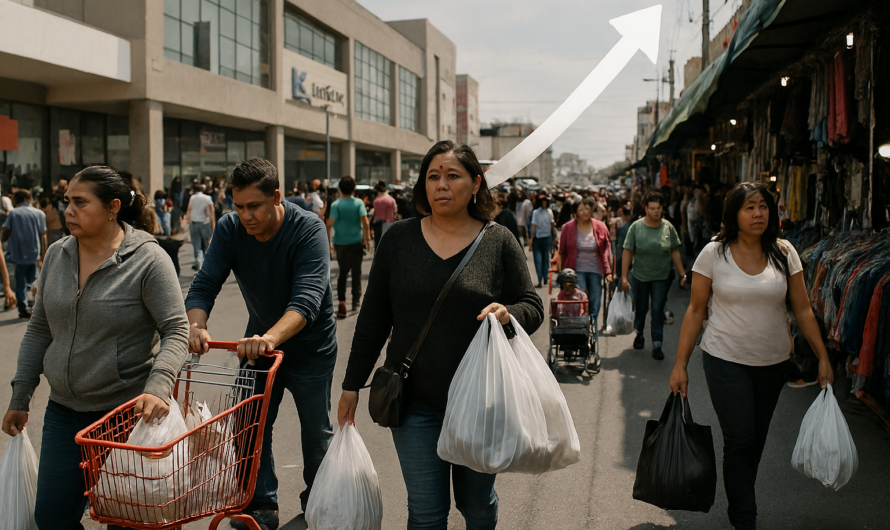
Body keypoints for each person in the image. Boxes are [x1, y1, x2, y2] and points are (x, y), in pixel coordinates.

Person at [338, 140, 543, 530]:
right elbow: (373, 320)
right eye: (433, 176)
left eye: (452, 176)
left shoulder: (498, 240)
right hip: (413, 402)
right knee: (427, 513)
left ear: (476, 183)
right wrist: (352, 385)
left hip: (482, 403)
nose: (441, 185)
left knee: (476, 505)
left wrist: (507, 313)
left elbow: (532, 306)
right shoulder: (397, 240)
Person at [2, 166, 188, 530]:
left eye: (80, 202)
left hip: (125, 417)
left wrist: (158, 388)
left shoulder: (149, 259)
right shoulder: (57, 254)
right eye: (67, 201)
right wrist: (20, 394)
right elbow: (39, 327)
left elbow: (176, 329)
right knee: (52, 517)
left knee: (126, 519)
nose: (68, 210)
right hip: (63, 413)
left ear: (113, 207)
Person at [669, 182, 834, 530]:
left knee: (755, 441)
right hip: (724, 360)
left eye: (763, 206)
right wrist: (680, 364)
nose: (758, 213)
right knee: (740, 438)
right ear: (734, 214)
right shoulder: (713, 253)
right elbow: (696, 311)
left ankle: (741, 499)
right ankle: (745, 519)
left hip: (773, 365)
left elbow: (803, 309)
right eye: (750, 207)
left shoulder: (784, 252)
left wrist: (822, 356)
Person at [185, 158, 337, 530]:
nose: (246, 215)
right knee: (249, 424)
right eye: (238, 206)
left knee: (316, 432)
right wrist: (196, 324)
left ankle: (317, 503)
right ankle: (260, 503)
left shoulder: (308, 229)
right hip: (259, 345)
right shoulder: (230, 229)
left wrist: (268, 338)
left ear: (277, 198)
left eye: (254, 206)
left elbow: (306, 301)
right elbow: (205, 283)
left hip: (310, 348)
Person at [619, 191, 687, 360]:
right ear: (646, 209)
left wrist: (682, 274)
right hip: (640, 276)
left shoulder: (667, 228)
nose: (656, 211)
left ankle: (657, 343)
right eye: (652, 208)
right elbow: (628, 252)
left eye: (659, 208)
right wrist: (624, 277)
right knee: (641, 307)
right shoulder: (636, 227)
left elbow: (675, 252)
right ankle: (639, 332)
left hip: (661, 277)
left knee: (657, 309)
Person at [558, 197, 612, 325]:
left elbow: (606, 251)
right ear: (575, 212)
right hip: (576, 270)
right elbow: (562, 252)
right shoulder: (568, 227)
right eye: (581, 209)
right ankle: (579, 323)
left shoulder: (600, 226)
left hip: (595, 269)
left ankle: (592, 324)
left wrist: (608, 272)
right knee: (578, 298)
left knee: (595, 298)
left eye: (587, 209)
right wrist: (562, 273)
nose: (585, 212)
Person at [326, 176, 371, 319]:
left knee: (343, 273)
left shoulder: (336, 205)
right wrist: (367, 239)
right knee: (357, 272)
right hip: (356, 243)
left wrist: (329, 245)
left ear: (340, 188)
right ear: (354, 188)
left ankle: (342, 302)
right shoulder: (358, 203)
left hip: (341, 244)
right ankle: (356, 300)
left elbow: (328, 225)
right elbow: (365, 223)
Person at [2, 190, 47, 319]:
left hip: (19, 254)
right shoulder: (39, 213)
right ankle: (37, 308)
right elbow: (43, 235)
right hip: (34, 254)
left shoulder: (14, 214)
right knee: (35, 282)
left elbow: (6, 231)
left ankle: (23, 309)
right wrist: (44, 253)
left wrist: (3, 239)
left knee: (20, 284)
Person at [185, 183, 214, 270]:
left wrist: (188, 219)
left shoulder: (192, 198)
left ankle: (199, 264)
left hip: (194, 223)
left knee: (196, 246)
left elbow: (188, 210)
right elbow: (211, 212)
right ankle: (208, 265)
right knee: (207, 245)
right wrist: (213, 226)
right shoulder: (207, 198)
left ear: (194, 190)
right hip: (204, 223)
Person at [529, 195, 554, 288]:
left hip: (547, 238)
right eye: (543, 202)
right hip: (537, 239)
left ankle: (545, 276)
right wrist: (531, 239)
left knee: (546, 259)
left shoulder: (549, 212)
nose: (544, 204)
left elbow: (552, 225)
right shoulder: (535, 212)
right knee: (538, 260)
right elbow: (533, 226)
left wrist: (553, 236)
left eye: (545, 202)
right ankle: (540, 279)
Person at [371, 180, 397, 251]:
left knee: (378, 244)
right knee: (388, 243)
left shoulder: (376, 200)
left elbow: (374, 212)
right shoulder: (391, 200)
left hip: (378, 223)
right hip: (388, 223)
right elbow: (395, 211)